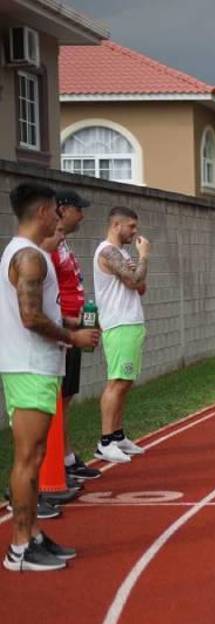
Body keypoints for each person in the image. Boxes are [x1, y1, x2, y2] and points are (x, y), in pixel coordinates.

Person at [2, 181, 99, 571]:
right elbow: (30, 317)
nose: (60, 217)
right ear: (42, 211)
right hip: (29, 366)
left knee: (37, 455)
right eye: (56, 211)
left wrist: (71, 323)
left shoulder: (29, 254)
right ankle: (19, 547)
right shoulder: (29, 258)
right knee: (28, 458)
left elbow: (39, 311)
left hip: (35, 365)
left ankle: (33, 534)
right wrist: (71, 337)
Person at [50, 191, 102, 481]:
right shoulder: (47, 246)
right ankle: (56, 463)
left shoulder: (62, 243)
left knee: (66, 397)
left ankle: (66, 457)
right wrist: (69, 321)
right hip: (63, 330)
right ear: (62, 209)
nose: (82, 215)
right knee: (57, 398)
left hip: (74, 325)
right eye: (78, 209)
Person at [93, 206, 149, 464]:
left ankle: (117, 435)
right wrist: (144, 256)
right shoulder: (107, 252)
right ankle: (105, 442)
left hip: (131, 321)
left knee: (126, 382)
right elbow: (135, 281)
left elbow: (140, 286)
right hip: (118, 324)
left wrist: (138, 268)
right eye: (131, 226)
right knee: (117, 381)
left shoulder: (123, 253)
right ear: (116, 225)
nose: (135, 232)